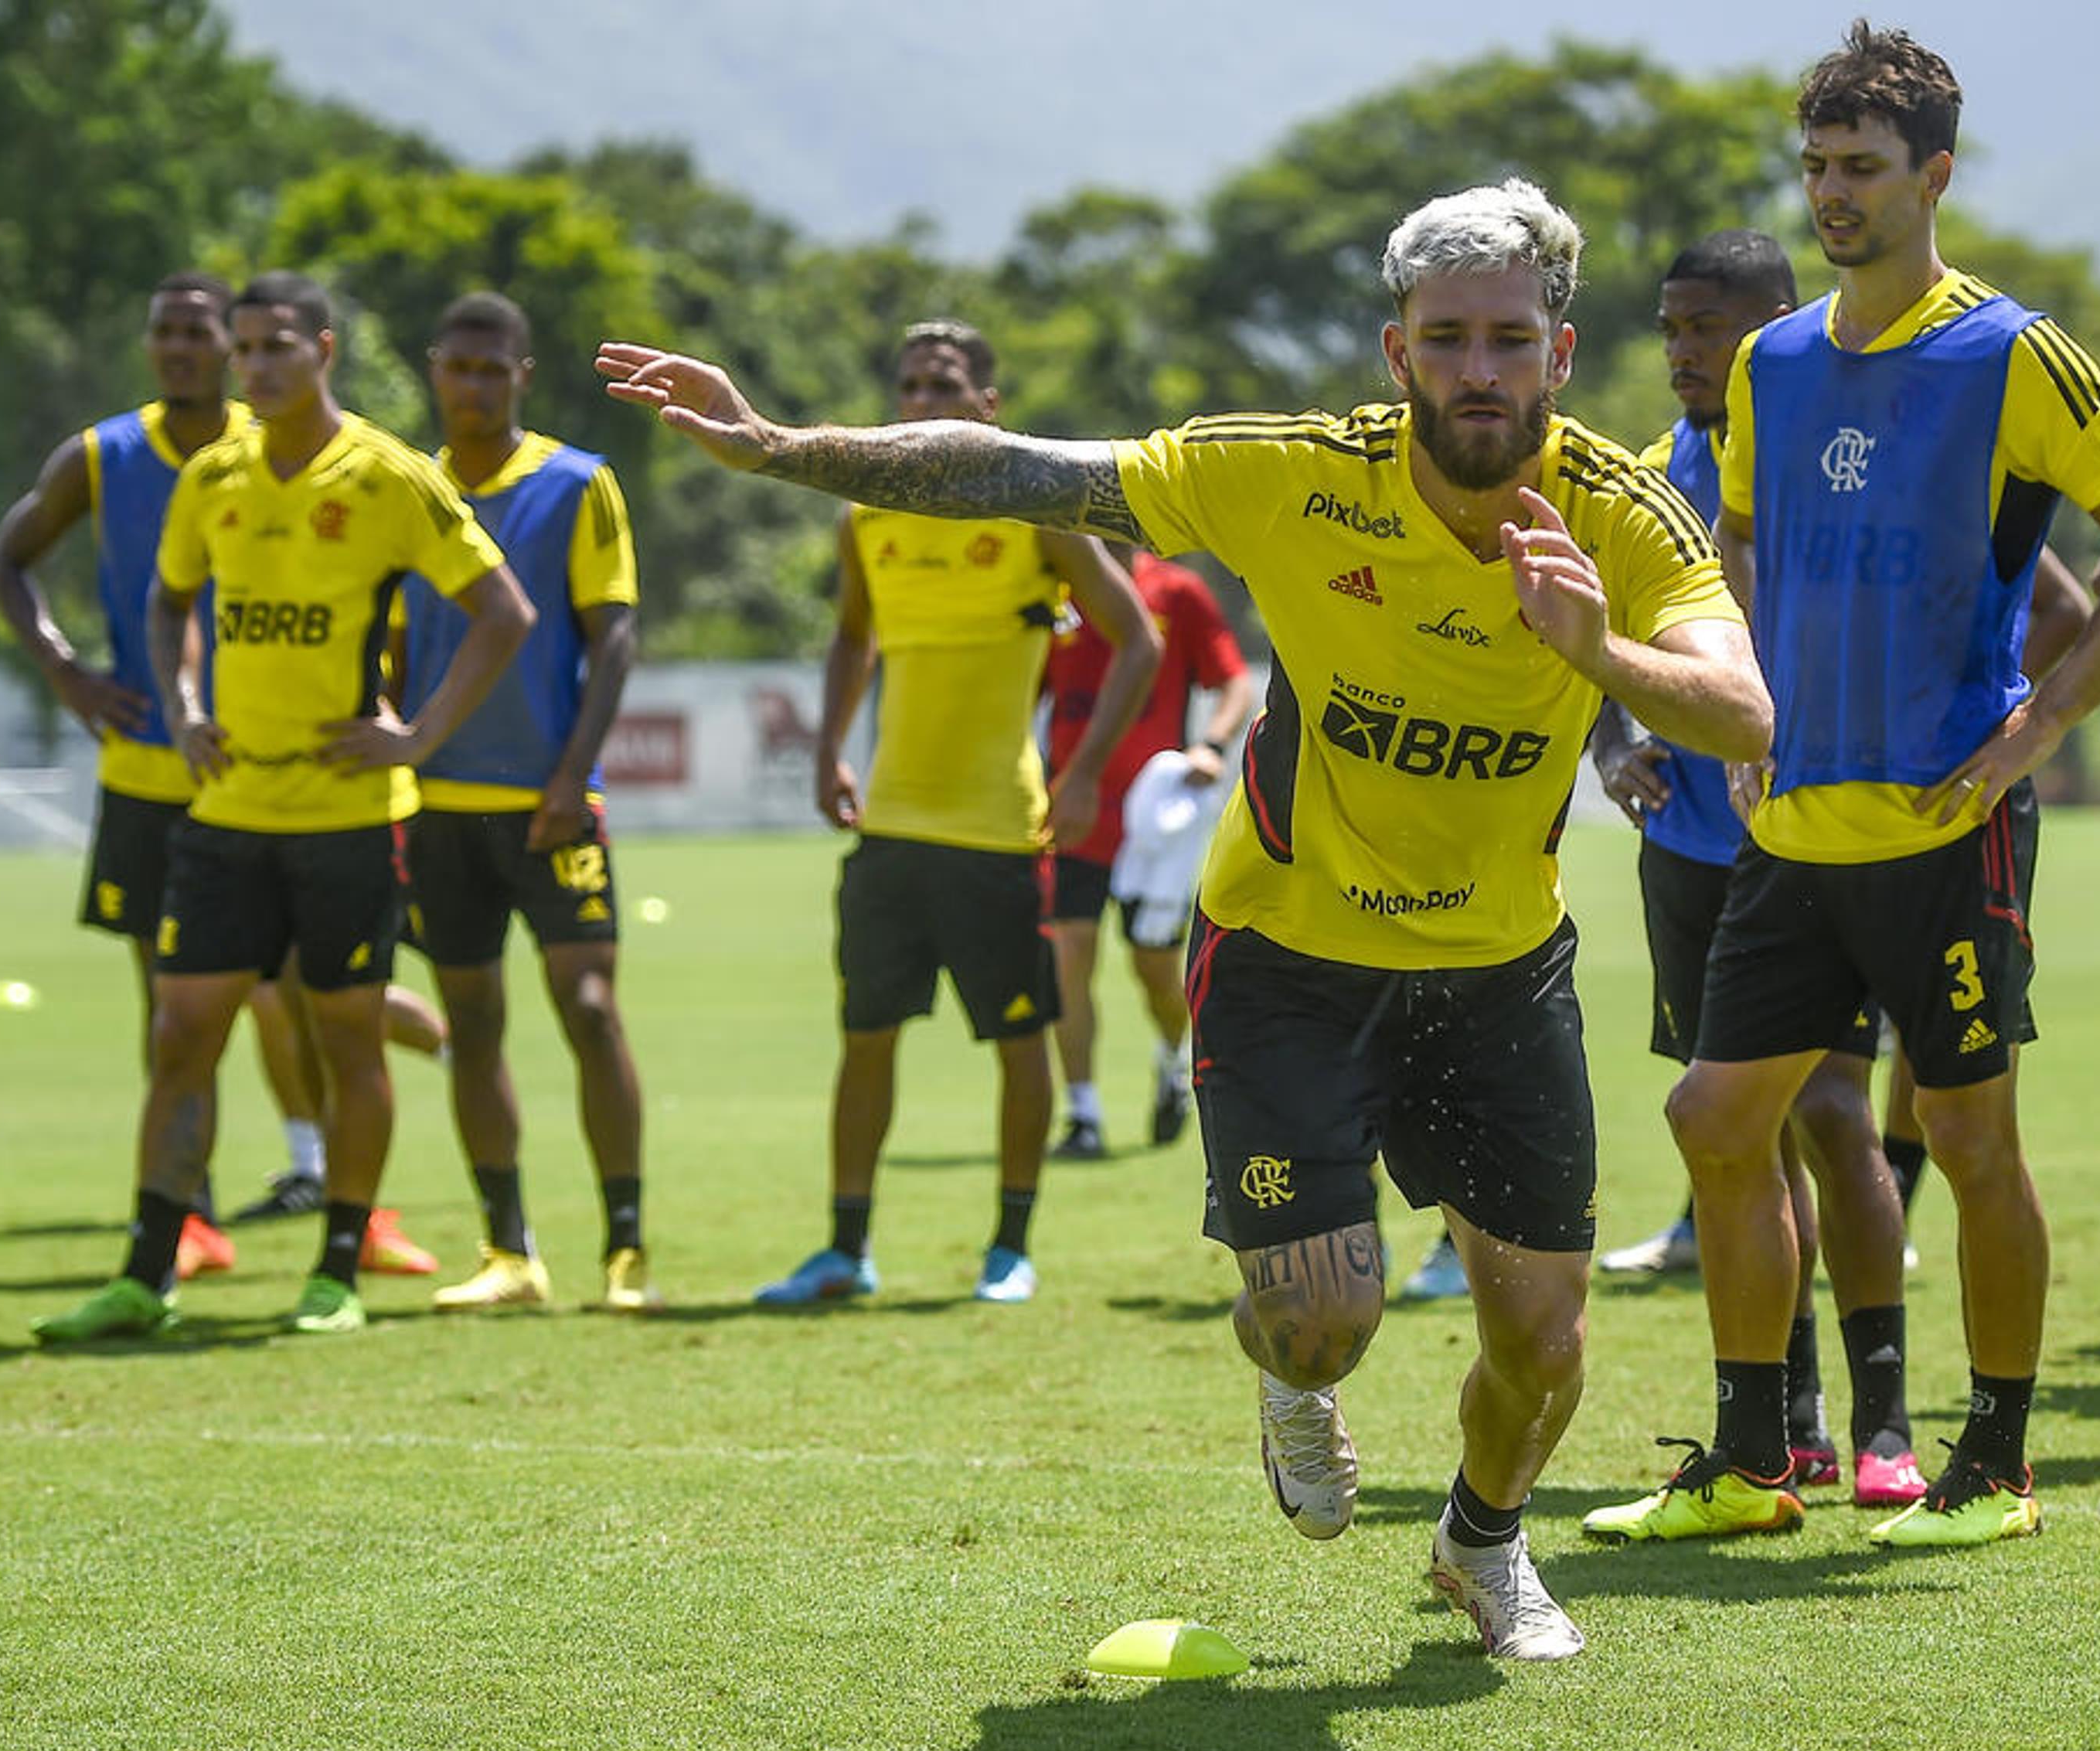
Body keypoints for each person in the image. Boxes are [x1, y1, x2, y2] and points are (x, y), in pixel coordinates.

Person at [599, 175, 1772, 1661]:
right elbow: (1012, 468)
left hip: (1498, 968)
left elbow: (1741, 712)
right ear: (1396, 352)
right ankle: (1293, 1384)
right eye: (1450, 337)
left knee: (1542, 1344)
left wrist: (1598, 648)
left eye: (1511, 339)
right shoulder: (1284, 473)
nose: (1482, 368)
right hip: (1289, 956)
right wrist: (779, 446)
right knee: (1323, 1318)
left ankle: (1481, 1545)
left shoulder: (1618, 509)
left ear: (1561, 349)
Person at [1582, 22, 2100, 1552]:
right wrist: (1735, 709)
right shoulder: (1773, 364)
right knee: (1717, 1122)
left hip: (1947, 831)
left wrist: (2038, 729)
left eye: (1861, 167)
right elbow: (1736, 554)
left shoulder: (2012, 352)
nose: (1832, 194)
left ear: (1935, 174)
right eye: (1815, 167)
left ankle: (1991, 1466)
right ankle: (1752, 1461)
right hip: (1786, 831)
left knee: (1975, 1141)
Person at [37, 271, 533, 1343]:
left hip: (349, 819)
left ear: (324, 352)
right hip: (228, 814)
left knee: (347, 1041)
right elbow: (170, 601)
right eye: (244, 348)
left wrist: (419, 736)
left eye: (275, 347)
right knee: (182, 1037)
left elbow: (503, 611)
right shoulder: (213, 477)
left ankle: (338, 1267)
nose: (253, 366)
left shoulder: (389, 475)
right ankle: (147, 1269)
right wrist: (180, 706)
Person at [1588, 227, 1919, 1503]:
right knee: (1732, 1141)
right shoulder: (1664, 461)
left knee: (1834, 1113)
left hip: (1816, 844)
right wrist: (1619, 740)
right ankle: (1789, 1421)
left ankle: (1886, 1420)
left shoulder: (1836, 448)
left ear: (1780, 327)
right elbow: (1607, 623)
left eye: (1707, 327)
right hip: (1687, 847)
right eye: (1670, 327)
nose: (1682, 351)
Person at [748, 321, 1162, 1310]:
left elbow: (1136, 642)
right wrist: (828, 750)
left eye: (945, 384)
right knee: (866, 1038)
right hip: (889, 828)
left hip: (996, 834)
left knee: (1019, 1046)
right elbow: (853, 638)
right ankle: (846, 1249)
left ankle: (1009, 1248)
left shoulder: (1037, 514)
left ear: (988, 406)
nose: (923, 401)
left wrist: (1084, 773)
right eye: (909, 384)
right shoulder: (863, 516)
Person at [0, 274, 253, 1289]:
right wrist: (63, 671)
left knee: (306, 1001)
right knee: (168, 1001)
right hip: (147, 769)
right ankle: (193, 1207)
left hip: (271, 769)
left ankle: (334, 1189)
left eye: (198, 331)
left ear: (232, 344)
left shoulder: (277, 450)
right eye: (164, 332)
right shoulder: (104, 455)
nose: (179, 347)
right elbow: (8, 559)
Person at [393, 292, 660, 1316]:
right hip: (437, 807)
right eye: (455, 368)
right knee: (472, 1021)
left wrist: (570, 777)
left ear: (523, 375)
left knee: (590, 1014)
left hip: (551, 806)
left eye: (490, 370)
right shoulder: (405, 488)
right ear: (433, 371)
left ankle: (626, 1250)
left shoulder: (576, 484)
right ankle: (509, 1250)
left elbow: (616, 637)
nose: (471, 386)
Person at [1041, 540, 1254, 1160]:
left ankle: (1171, 1058)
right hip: (1073, 816)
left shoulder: (1177, 593)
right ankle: (1082, 1114)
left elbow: (1233, 680)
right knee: (1069, 955)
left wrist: (1213, 745)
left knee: (1153, 968)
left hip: (1154, 825)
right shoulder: (1054, 590)